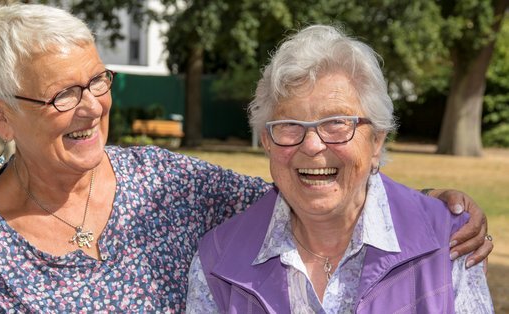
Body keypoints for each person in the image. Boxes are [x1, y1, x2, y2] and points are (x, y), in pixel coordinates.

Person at [0, 4, 491, 312]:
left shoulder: (165, 180)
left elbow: (306, 183)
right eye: (61, 95)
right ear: (0, 116)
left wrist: (430, 209)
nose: (91, 108)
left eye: (97, 81)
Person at [186, 25, 494, 313]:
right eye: (289, 125)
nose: (311, 145)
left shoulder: (449, 243)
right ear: (267, 141)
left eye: (336, 122)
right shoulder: (217, 262)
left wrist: (433, 210)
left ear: (376, 139)